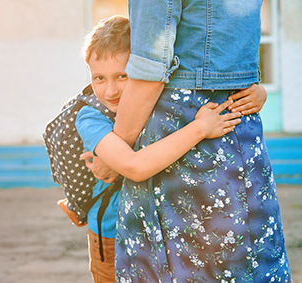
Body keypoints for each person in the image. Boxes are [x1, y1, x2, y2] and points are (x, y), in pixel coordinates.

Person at [82, 2, 292, 282]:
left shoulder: (144, 104)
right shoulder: (92, 117)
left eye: (124, 76)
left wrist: (257, 92)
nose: (112, 89)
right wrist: (200, 127)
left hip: (153, 210)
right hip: (108, 229)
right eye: (99, 78)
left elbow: (152, 63)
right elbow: (133, 165)